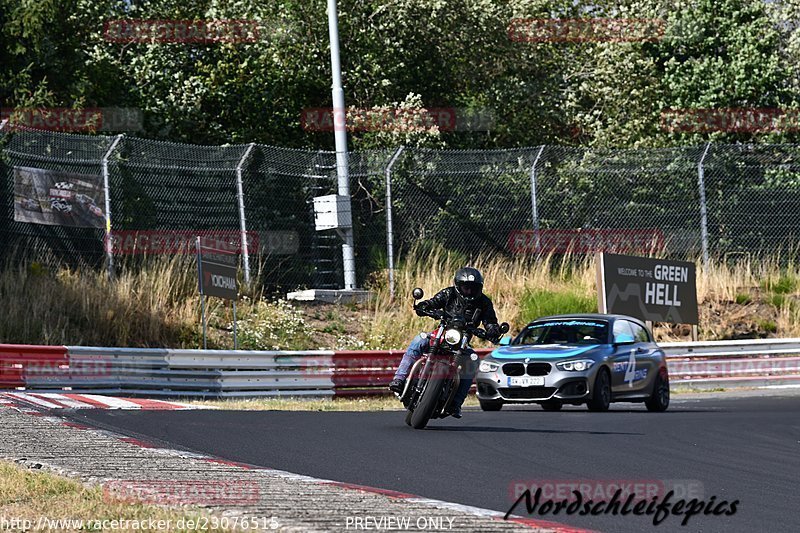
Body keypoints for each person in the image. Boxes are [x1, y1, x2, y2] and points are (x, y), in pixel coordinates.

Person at [388, 266, 502, 418]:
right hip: (442, 333)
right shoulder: (449, 293)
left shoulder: (484, 302)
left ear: (479, 288)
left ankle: (456, 403)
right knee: (418, 341)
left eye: (472, 288)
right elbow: (434, 302)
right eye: (465, 287)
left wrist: (493, 330)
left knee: (473, 360)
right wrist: (425, 306)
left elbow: (490, 321)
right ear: (457, 285)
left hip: (463, 341)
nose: (468, 291)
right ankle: (399, 379)